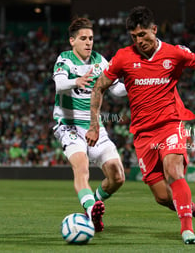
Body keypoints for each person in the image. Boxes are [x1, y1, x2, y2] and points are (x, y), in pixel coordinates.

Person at [86, 6, 195, 244]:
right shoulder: (123, 57)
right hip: (143, 134)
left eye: (143, 34)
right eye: (134, 37)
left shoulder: (175, 54)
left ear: (154, 30)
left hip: (171, 124)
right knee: (163, 197)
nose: (139, 40)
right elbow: (99, 87)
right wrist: (94, 125)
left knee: (173, 171)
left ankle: (187, 230)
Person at [52, 18, 126, 232]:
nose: (88, 43)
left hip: (94, 126)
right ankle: (91, 210)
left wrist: (135, 83)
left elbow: (116, 90)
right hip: (69, 125)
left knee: (117, 176)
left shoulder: (100, 61)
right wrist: (77, 81)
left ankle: (92, 205)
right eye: (83, 38)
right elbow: (58, 84)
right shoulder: (65, 59)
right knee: (82, 167)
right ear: (72, 41)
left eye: (91, 38)